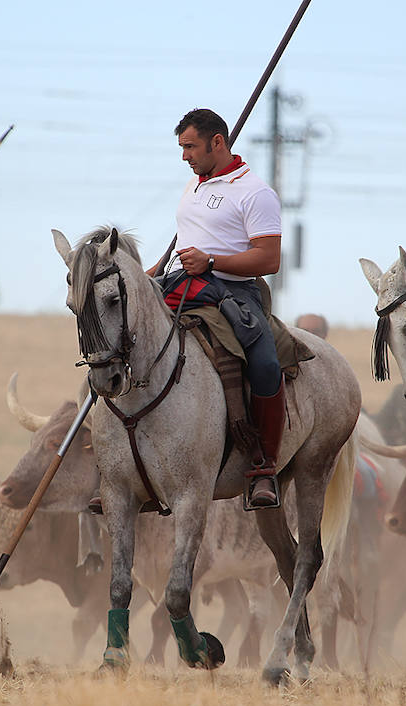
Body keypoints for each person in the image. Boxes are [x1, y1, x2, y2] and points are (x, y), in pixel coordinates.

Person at [156, 108, 285, 508]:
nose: (184, 156)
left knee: (265, 364)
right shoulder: (194, 186)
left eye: (190, 146)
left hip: (234, 290)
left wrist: (211, 262)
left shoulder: (256, 193)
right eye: (181, 147)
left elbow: (268, 259)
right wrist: (155, 272)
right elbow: (188, 236)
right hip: (181, 282)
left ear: (217, 142)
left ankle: (263, 466)